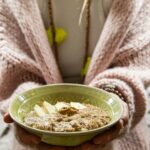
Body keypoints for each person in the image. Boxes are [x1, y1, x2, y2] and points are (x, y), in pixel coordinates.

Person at [0, 0, 150, 149]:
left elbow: (136, 63)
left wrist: (115, 94)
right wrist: (26, 104)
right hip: (36, 140)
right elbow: (15, 70)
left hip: (123, 142)